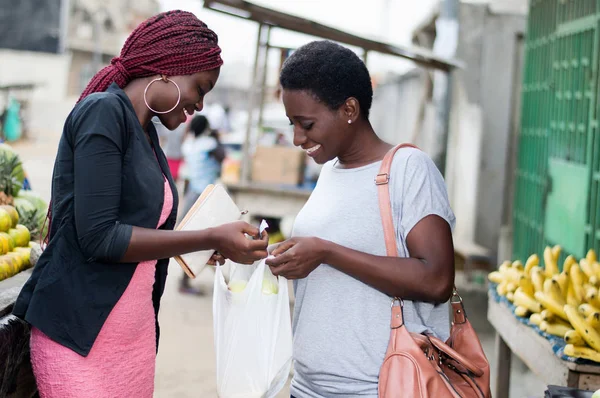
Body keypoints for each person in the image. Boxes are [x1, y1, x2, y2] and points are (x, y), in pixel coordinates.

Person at [12, 10, 268, 398]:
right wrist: (206, 236)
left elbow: (139, 232)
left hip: (133, 341)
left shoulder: (146, 134)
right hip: (79, 338)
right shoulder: (104, 112)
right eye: (200, 87)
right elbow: (99, 238)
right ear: (167, 70)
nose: (199, 104)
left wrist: (209, 244)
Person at [265, 40, 456, 398]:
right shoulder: (330, 171)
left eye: (306, 124)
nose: (296, 138)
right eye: (292, 123)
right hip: (308, 387)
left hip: (379, 388)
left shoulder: (409, 169)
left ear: (349, 109)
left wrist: (326, 252)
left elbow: (436, 280)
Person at [179, 114, 226, 294]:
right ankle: (218, 280)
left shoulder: (189, 145)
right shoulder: (209, 144)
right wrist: (216, 137)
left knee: (195, 239)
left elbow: (188, 175)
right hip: (206, 196)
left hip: (192, 194)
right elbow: (222, 157)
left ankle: (190, 279)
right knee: (207, 239)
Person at [154, 115, 188, 181]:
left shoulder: (183, 125)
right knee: (168, 181)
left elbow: (184, 141)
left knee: (174, 181)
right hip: (169, 156)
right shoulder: (164, 124)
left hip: (177, 156)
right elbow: (161, 141)